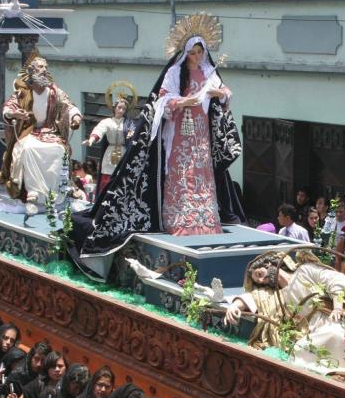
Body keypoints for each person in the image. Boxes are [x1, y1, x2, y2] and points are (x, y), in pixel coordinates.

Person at [78, 15, 245, 266]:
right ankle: (179, 220)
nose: (198, 57)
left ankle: (205, 220)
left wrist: (218, 92)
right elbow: (163, 100)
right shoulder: (175, 73)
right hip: (179, 131)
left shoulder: (209, 71)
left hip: (200, 132)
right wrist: (185, 101)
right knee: (181, 171)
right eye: (193, 53)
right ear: (185, 53)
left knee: (201, 171)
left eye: (201, 52)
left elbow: (226, 94)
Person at [225, 251, 345, 375]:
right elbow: (251, 297)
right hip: (309, 332)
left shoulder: (304, 271)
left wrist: (337, 305)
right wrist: (235, 307)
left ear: (271, 263)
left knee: (337, 334)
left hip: (331, 317)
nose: (262, 280)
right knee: (302, 350)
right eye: (258, 280)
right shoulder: (274, 295)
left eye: (260, 273)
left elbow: (335, 279)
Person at [0, 55, 83, 215]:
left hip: (50, 132)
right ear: (31, 71)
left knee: (59, 150)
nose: (44, 71)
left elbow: (68, 106)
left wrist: (75, 117)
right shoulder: (23, 92)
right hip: (30, 132)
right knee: (27, 149)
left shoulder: (54, 92)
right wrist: (15, 114)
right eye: (41, 67)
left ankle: (55, 195)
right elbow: (8, 108)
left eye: (46, 67)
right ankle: (33, 195)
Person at [84, 96, 133, 194]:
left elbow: (133, 132)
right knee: (107, 178)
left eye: (123, 108)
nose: (121, 110)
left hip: (123, 152)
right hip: (110, 153)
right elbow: (99, 130)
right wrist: (91, 140)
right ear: (114, 108)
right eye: (119, 107)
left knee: (120, 178)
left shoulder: (128, 123)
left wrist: (131, 134)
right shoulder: (107, 122)